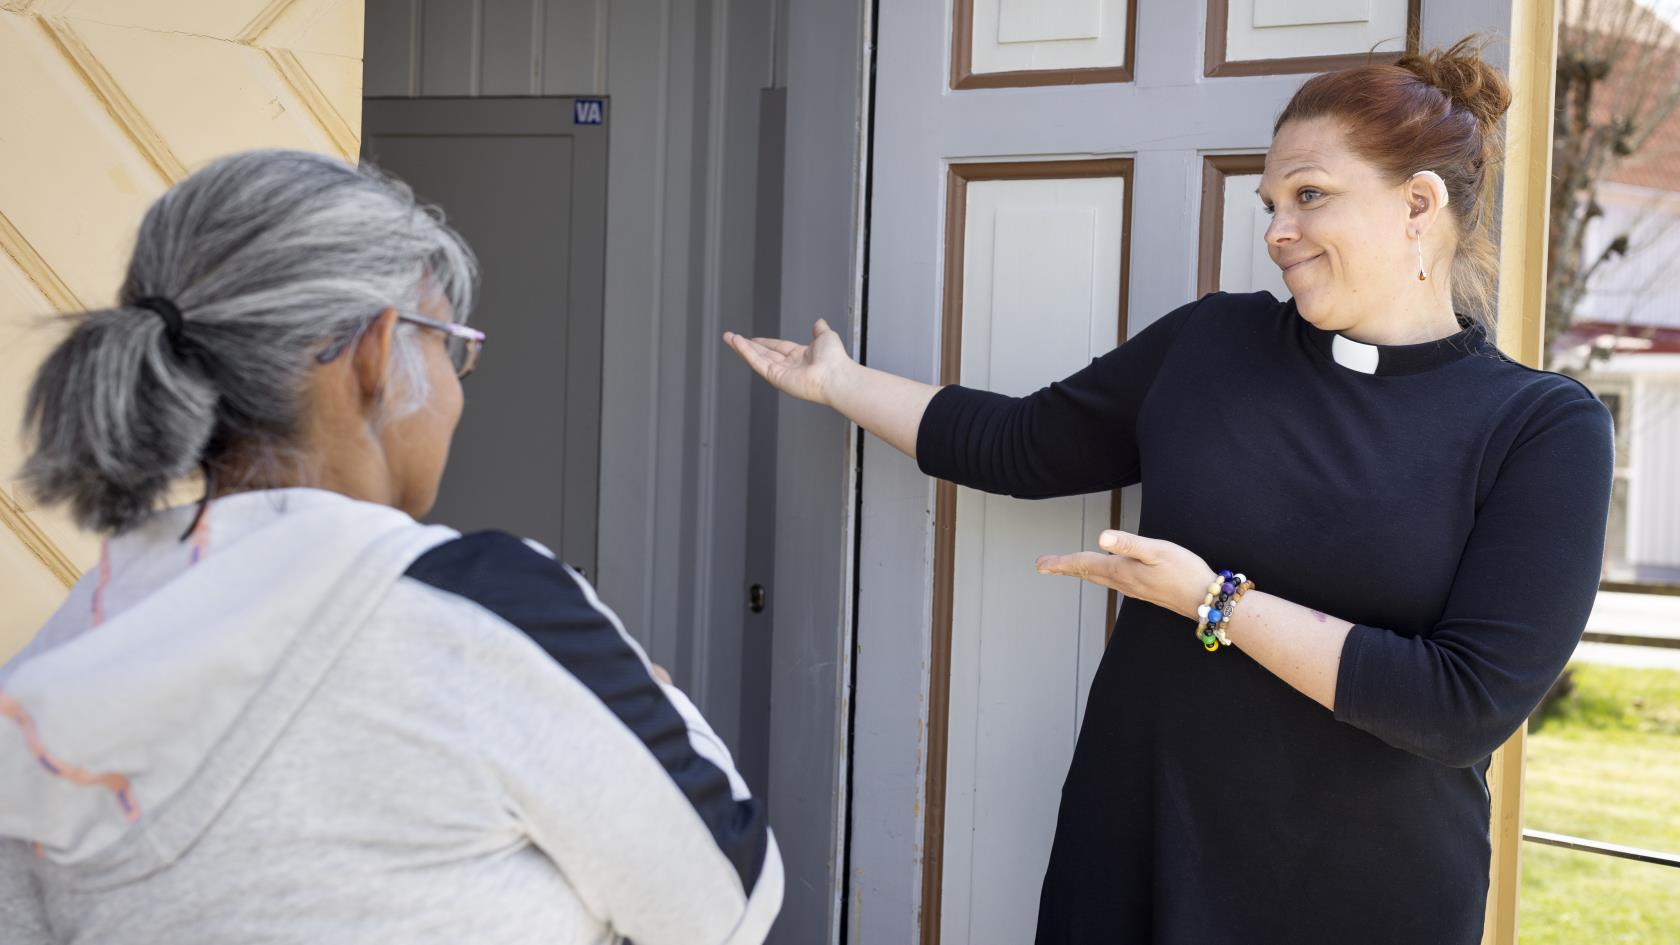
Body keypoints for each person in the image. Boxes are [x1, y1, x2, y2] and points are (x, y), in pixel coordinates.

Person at [726, 38, 1611, 944]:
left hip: (1362, 888)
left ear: (1418, 204)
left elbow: (1459, 706)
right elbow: (1024, 442)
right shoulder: (1214, 342)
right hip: (1139, 845)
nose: (1276, 229)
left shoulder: (1541, 427)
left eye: (1310, 196)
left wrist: (1210, 600)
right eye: (1270, 202)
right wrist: (839, 383)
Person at [0, 149, 781, 944]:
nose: (453, 389)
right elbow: (727, 906)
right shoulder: (490, 610)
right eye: (451, 344)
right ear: (375, 351)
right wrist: (651, 695)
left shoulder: (66, 650)